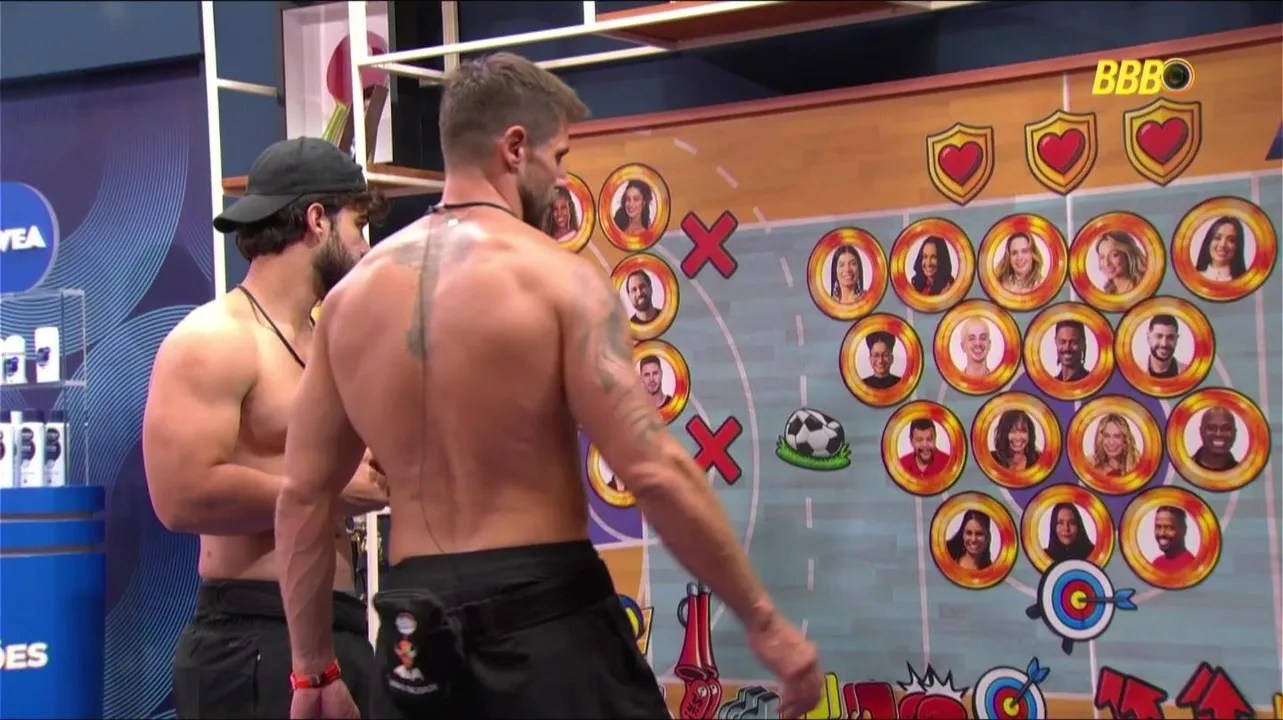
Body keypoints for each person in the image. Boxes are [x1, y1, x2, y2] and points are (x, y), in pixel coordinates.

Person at [272, 52, 822, 720]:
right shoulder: (558, 281)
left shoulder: (348, 302)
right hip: (543, 618)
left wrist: (312, 671)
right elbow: (652, 471)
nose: (561, 178)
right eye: (558, 156)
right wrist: (763, 621)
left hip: (414, 629)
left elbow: (303, 495)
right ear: (514, 148)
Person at [142, 137, 392, 719]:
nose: (364, 247)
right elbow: (180, 497)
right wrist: (327, 493)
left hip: (337, 626)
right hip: (252, 638)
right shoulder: (216, 339)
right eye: (357, 226)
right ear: (316, 221)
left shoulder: (326, 341)